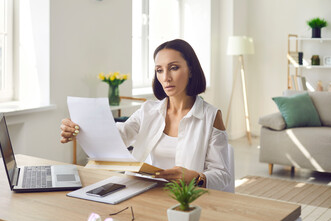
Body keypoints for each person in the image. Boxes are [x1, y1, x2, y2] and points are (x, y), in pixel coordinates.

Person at [61, 39, 231, 191]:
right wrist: (80, 129)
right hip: (144, 190)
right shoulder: (148, 110)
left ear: (191, 70)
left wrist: (195, 178)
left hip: (185, 198)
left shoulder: (210, 116)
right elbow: (119, 136)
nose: (166, 78)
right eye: (159, 70)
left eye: (174, 68)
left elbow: (222, 175)